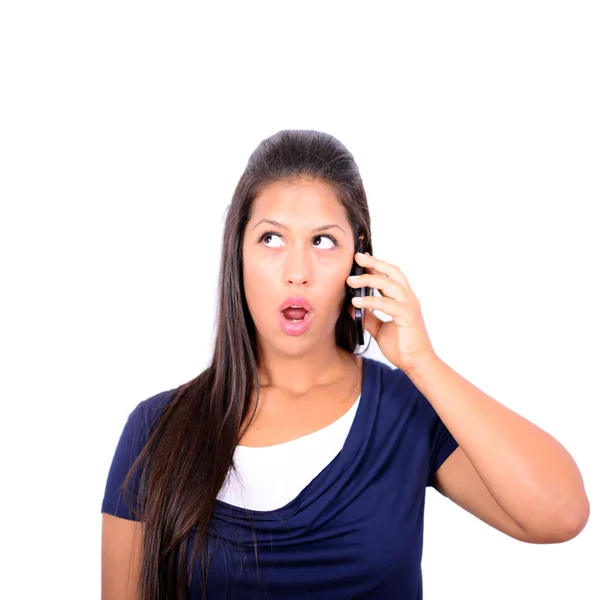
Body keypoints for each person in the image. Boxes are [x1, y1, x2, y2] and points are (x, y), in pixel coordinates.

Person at [101, 129, 589, 600]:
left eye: (323, 242)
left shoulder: (406, 411)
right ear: (238, 251)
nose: (297, 272)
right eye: (271, 239)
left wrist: (422, 363)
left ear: (359, 259)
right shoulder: (156, 431)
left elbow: (560, 514)